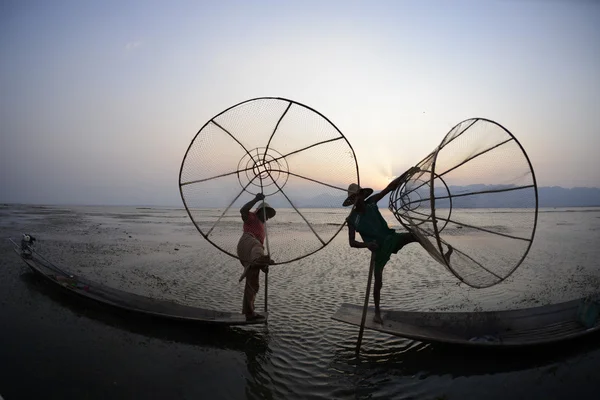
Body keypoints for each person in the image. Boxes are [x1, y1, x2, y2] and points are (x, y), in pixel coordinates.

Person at [343, 167, 453, 324]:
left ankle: (443, 257)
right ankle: (377, 313)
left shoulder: (371, 202)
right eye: (354, 198)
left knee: (416, 235)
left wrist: (407, 173)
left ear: (362, 195)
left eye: (359, 196)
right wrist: (367, 244)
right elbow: (352, 243)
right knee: (378, 281)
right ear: (352, 200)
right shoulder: (352, 220)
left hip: (390, 238)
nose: (357, 199)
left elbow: (390, 187)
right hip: (378, 248)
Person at [237, 193, 276, 321]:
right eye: (266, 214)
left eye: (269, 216)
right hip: (247, 243)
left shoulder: (262, 227)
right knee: (258, 248)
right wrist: (256, 199)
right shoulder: (251, 217)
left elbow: (258, 249)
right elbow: (243, 210)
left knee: (252, 281)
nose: (267, 218)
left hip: (254, 250)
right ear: (259, 211)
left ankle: (249, 312)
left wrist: (263, 266)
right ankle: (260, 260)